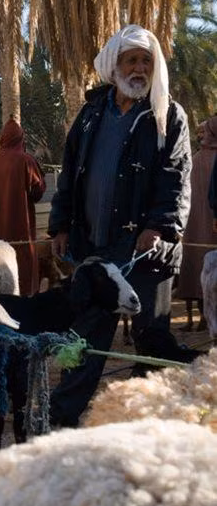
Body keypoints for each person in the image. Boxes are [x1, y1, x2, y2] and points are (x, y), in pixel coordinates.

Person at [48, 24, 192, 427]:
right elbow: (70, 173)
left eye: (147, 60)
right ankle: (62, 421)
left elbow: (176, 176)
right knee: (86, 337)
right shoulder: (92, 114)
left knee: (151, 338)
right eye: (132, 59)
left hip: (147, 249)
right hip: (95, 247)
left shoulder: (167, 115)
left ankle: (149, 425)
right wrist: (60, 226)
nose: (140, 68)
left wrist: (159, 227)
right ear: (115, 65)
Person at [0, 117, 47, 296]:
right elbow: (38, 192)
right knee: (21, 265)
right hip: (19, 229)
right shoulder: (26, 161)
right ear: (20, 138)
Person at [177, 116, 217, 330]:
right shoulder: (195, 159)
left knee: (195, 268)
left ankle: (201, 318)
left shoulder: (194, 159)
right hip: (208, 226)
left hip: (194, 226)